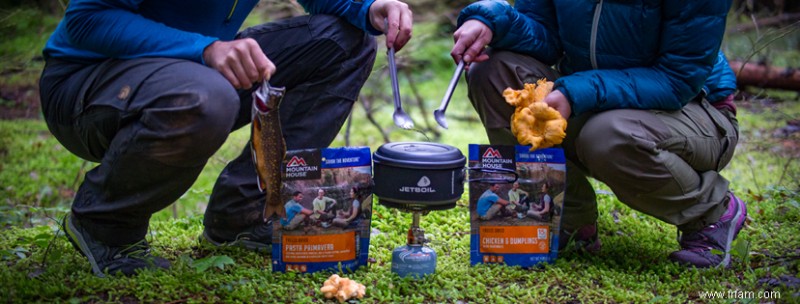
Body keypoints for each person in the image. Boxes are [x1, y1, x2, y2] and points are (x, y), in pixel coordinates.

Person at [41, 0, 414, 277]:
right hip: (87, 85)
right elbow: (87, 19)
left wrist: (369, 8)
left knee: (346, 40)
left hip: (193, 71)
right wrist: (204, 50)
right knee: (208, 95)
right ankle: (107, 225)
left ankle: (244, 213)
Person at [451, 0, 746, 268]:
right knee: (492, 72)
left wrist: (575, 92)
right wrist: (492, 20)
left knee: (607, 134)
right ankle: (567, 218)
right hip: (595, 100)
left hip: (694, 111)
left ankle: (711, 213)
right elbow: (545, 35)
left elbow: (677, 79)